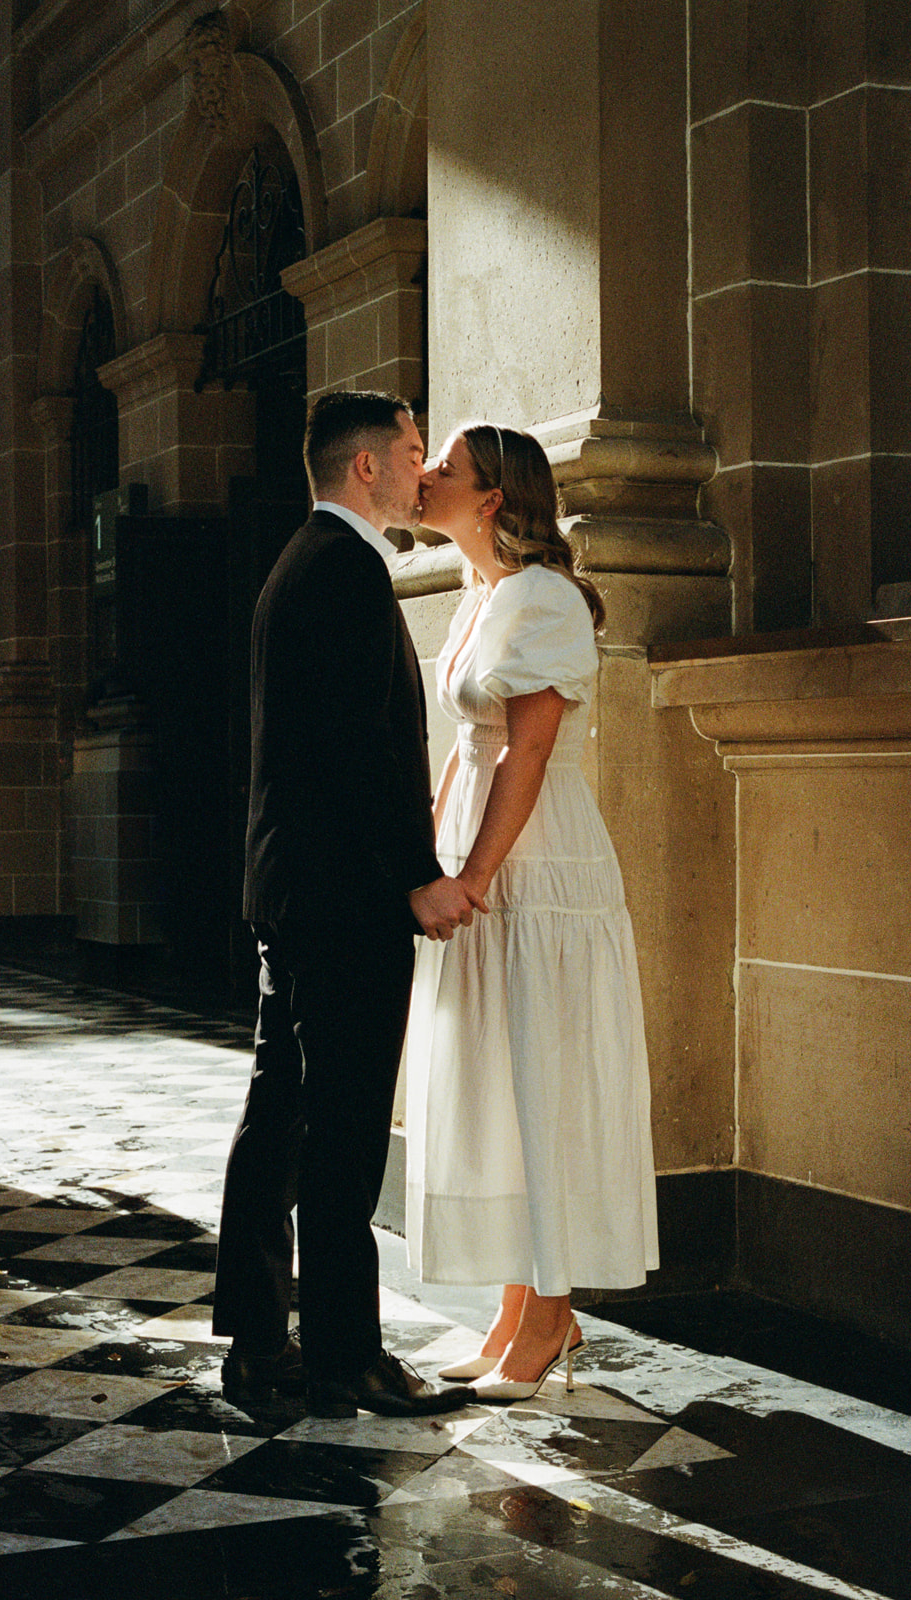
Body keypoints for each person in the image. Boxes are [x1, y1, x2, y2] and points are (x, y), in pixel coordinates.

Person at [213, 391, 483, 1419]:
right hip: (341, 896)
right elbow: (351, 752)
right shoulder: (342, 567)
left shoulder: (303, 562)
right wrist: (413, 873)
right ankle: (341, 1353)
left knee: (280, 1110)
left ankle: (256, 1338)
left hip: (298, 887)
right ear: (365, 467)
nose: (422, 471)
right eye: (412, 453)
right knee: (342, 1128)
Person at [405, 421, 659, 1401]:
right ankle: (517, 1307)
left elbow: (527, 750)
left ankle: (550, 1317)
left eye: (444, 469)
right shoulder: (482, 594)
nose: (424, 477)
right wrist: (424, 858)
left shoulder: (543, 597)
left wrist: (470, 874)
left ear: (490, 499)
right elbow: (462, 751)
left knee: (542, 1084)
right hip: (481, 851)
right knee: (502, 1084)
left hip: (536, 867)